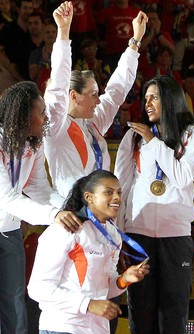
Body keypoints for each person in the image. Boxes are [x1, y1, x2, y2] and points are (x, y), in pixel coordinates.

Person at [27, 170, 149, 334]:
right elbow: (38, 288)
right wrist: (89, 305)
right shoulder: (65, 230)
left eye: (119, 192)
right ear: (89, 197)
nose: (117, 198)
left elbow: (103, 287)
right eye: (109, 192)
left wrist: (123, 280)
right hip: (64, 330)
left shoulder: (112, 233)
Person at [114, 75, 194, 334]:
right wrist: (118, 233)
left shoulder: (192, 134)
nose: (148, 103)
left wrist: (153, 142)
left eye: (154, 97)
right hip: (137, 233)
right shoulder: (134, 135)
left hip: (175, 235)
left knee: (173, 311)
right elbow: (122, 184)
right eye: (146, 98)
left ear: (170, 99)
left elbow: (181, 176)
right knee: (141, 310)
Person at [0, 80, 82, 334]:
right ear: (22, 115)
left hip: (7, 234)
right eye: (41, 113)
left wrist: (67, 209)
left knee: (17, 314)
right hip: (5, 220)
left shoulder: (31, 144)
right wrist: (53, 216)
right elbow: (6, 197)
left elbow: (37, 189)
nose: (45, 119)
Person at [44, 2, 147, 198]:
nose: (99, 101)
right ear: (74, 96)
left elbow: (117, 90)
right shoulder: (56, 126)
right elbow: (58, 86)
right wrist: (63, 33)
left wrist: (135, 41)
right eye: (93, 94)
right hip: (74, 216)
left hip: (102, 213)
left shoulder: (92, 123)